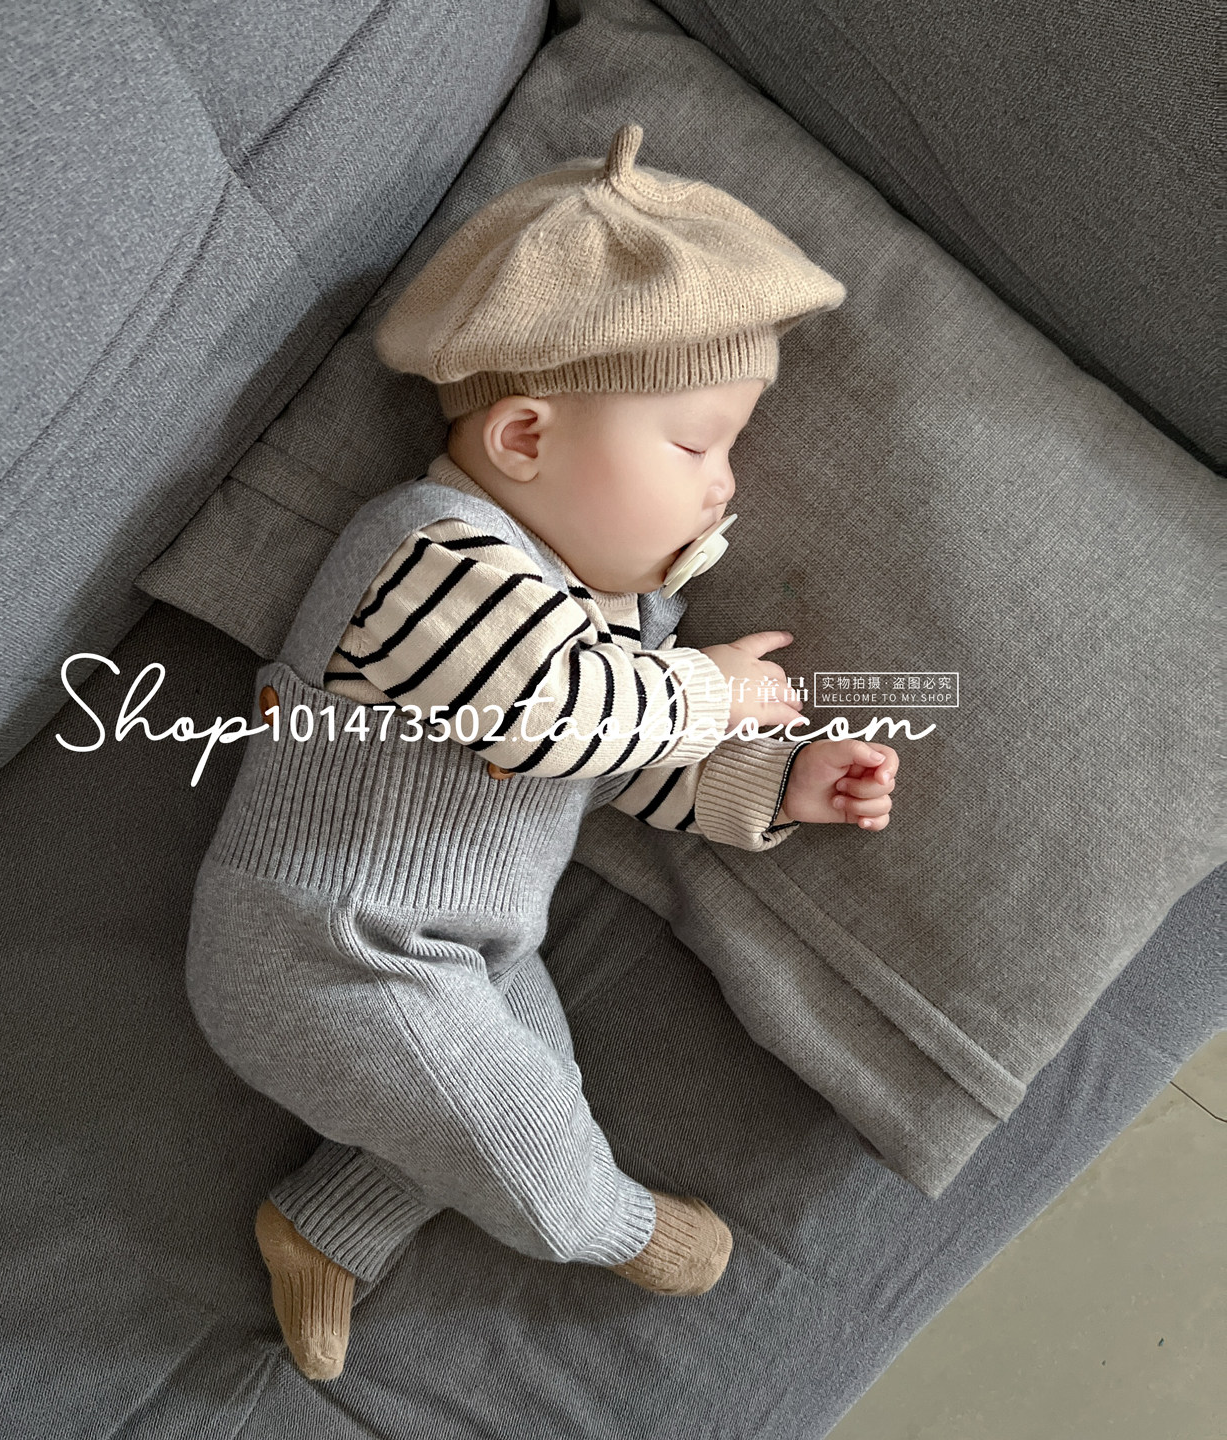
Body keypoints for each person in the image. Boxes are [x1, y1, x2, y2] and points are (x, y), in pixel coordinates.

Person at [184, 123, 900, 1381]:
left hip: (460, 954)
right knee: (534, 1152)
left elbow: (613, 761)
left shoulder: (604, 623)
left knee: (523, 1094)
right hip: (324, 952)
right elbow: (560, 716)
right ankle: (618, 1230)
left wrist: (777, 779)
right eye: (695, 445)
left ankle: (324, 1226)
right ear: (525, 439)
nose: (725, 487)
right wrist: (712, 689)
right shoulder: (430, 553)